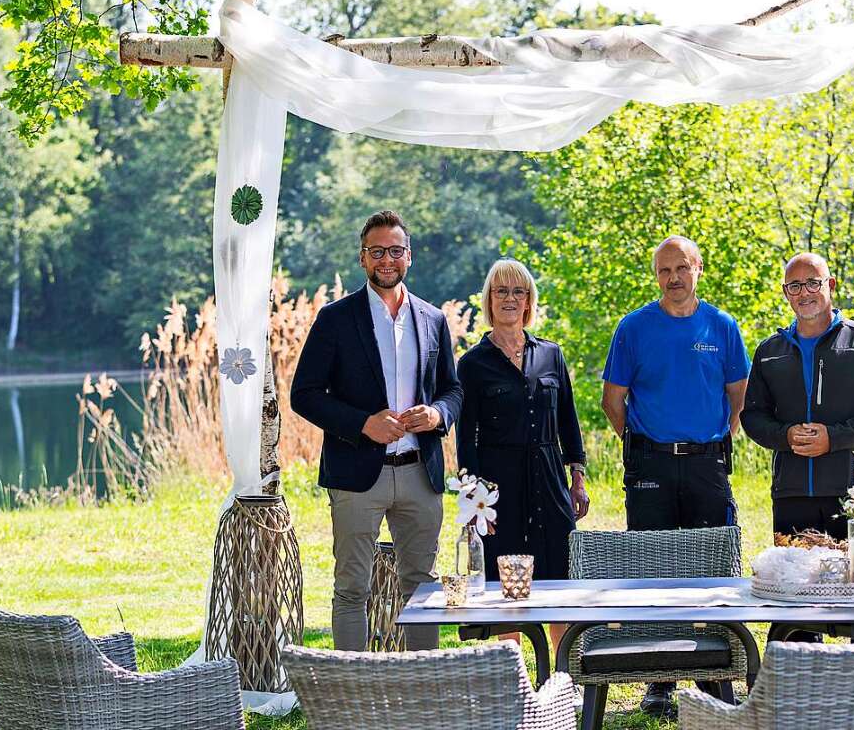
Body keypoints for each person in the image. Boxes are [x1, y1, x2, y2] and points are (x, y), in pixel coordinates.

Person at [290, 209, 463, 651]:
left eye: (396, 251)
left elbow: (453, 390)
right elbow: (304, 394)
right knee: (352, 588)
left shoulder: (432, 319)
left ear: (410, 256)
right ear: (363, 259)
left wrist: (439, 415)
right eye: (377, 251)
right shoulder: (335, 319)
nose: (387, 259)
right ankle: (352, 692)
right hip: (355, 473)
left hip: (419, 472)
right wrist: (362, 424)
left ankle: (423, 689)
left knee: (422, 588)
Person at [600, 235, 750, 716]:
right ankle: (659, 680)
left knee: (713, 564)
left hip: (708, 462)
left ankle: (714, 674)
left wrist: (708, 442)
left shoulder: (722, 326)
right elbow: (612, 400)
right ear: (657, 276)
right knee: (652, 569)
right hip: (651, 464)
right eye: (664, 270)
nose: (673, 278)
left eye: (681, 267)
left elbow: (738, 396)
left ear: (698, 268)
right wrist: (649, 446)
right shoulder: (634, 328)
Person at [740, 252, 854, 643]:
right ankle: (797, 694)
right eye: (794, 286)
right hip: (793, 495)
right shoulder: (769, 351)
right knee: (793, 599)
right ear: (786, 294)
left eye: (813, 282)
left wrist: (834, 438)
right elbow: (753, 417)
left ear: (830, 286)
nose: (805, 293)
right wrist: (785, 436)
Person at [456, 258, 589, 650]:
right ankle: (511, 678)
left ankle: (562, 678)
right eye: (502, 291)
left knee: (559, 578)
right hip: (499, 489)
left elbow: (569, 421)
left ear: (529, 301)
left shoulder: (551, 354)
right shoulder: (472, 365)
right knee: (505, 584)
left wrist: (577, 478)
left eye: (518, 292)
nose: (510, 299)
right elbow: (465, 439)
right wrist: (474, 500)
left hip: (550, 482)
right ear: (490, 300)